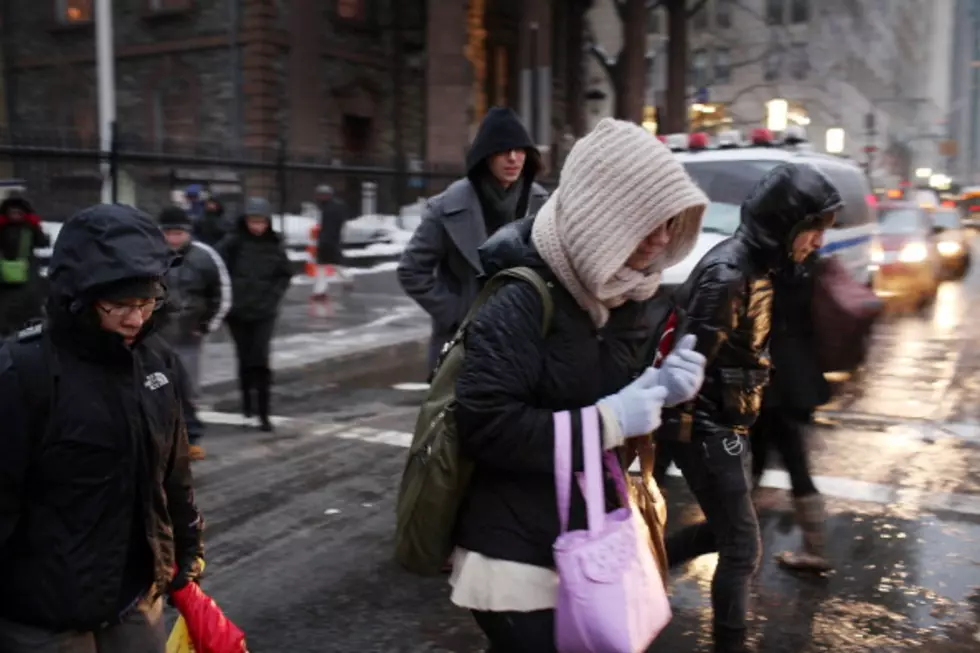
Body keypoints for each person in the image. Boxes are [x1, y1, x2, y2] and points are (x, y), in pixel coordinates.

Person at [449, 118, 709, 652]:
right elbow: (488, 426)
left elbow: (595, 392)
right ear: (604, 215)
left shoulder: (619, 292)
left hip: (585, 534)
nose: (661, 239)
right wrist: (614, 418)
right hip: (515, 558)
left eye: (670, 223)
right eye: (647, 222)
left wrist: (663, 389)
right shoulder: (521, 298)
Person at [0, 203, 204, 653]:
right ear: (79, 298)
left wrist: (185, 547)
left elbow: (171, 472)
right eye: (119, 305)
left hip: (133, 600)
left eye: (148, 303)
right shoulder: (22, 374)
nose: (136, 320)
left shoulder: (156, 363)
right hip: (41, 618)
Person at [659, 162, 843, 653]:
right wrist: (683, 444)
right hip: (708, 428)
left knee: (731, 534)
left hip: (728, 424)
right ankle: (730, 642)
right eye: (812, 231)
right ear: (785, 225)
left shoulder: (759, 268)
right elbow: (685, 365)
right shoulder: (729, 274)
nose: (818, 243)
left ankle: (651, 564)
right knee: (742, 547)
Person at [398, 106, 549, 372]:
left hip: (525, 341)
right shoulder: (446, 207)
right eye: (503, 151)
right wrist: (458, 312)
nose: (513, 158)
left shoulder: (542, 205)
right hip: (465, 345)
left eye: (520, 150)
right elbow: (412, 271)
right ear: (486, 156)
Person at [750, 249, 832, 571]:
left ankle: (740, 546)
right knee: (786, 462)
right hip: (799, 379)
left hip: (774, 381)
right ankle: (814, 546)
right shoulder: (811, 265)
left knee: (760, 465)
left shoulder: (771, 266)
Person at [157, 205, 233, 461]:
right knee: (156, 388)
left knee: (187, 389)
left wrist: (206, 325)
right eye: (169, 233)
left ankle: (191, 438)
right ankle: (160, 440)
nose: (174, 238)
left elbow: (221, 293)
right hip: (155, 336)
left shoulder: (205, 256)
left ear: (188, 232)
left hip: (189, 336)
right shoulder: (150, 256)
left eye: (179, 233)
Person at [217, 196, 293, 431]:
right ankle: (246, 405)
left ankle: (263, 412)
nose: (257, 226)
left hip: (264, 311)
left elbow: (284, 274)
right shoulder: (233, 243)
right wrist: (227, 298)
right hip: (237, 311)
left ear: (268, 222)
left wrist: (273, 297)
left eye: (261, 222)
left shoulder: (275, 244)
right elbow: (217, 269)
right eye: (253, 221)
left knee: (260, 358)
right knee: (244, 358)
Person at [0, 194, 49, 336]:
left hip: (28, 277)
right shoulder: (3, 228)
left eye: (18, 212)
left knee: (28, 310)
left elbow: (43, 242)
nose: (15, 215)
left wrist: (35, 226)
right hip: (5, 280)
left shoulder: (30, 228)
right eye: (12, 212)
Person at [311, 184, 352, 306]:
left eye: (320, 195)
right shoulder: (336, 206)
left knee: (322, 266)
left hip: (327, 240)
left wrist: (323, 239)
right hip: (333, 240)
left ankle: (320, 291)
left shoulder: (329, 209)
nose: (319, 197)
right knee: (335, 264)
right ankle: (347, 279)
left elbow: (329, 227)